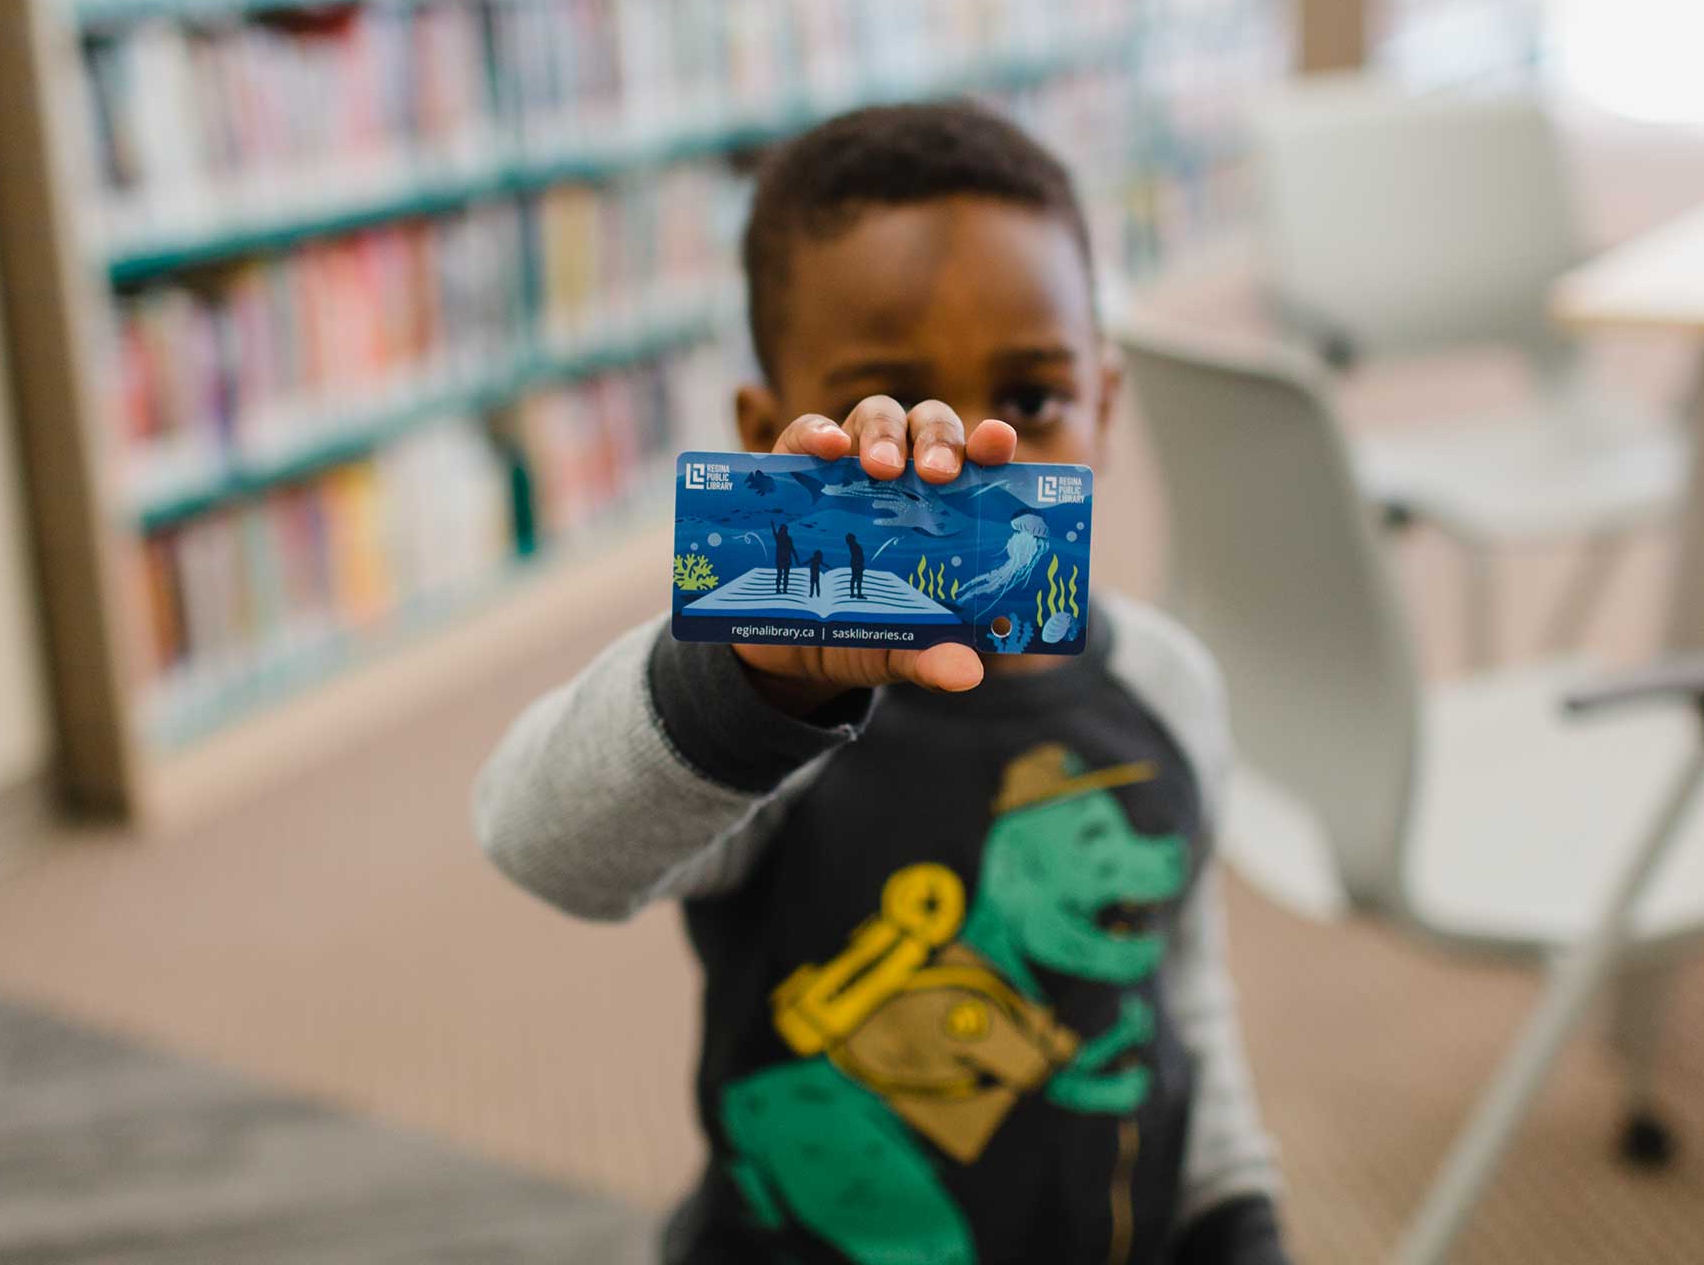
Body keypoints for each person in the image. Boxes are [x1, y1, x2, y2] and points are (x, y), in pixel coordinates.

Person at [474, 102, 1289, 1265]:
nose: (957, 458)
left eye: (1032, 399)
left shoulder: (1167, 683)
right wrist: (747, 680)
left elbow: (1181, 984)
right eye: (890, 412)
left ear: (1104, 410)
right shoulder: (759, 724)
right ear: (770, 435)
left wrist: (1234, 1208)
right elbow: (537, 837)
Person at [772, 522, 795, 593]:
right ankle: (783, 589)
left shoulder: (779, 538)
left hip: (781, 560)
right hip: (786, 560)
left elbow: (774, 533)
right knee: (784, 575)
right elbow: (792, 549)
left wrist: (772, 526)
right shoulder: (787, 538)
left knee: (781, 575)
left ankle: (779, 588)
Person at [845, 532, 866, 598]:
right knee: (858, 579)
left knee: (854, 578)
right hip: (857, 564)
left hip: (854, 564)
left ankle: (852, 594)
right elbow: (858, 556)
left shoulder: (852, 546)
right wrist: (860, 564)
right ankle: (858, 594)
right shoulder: (855, 546)